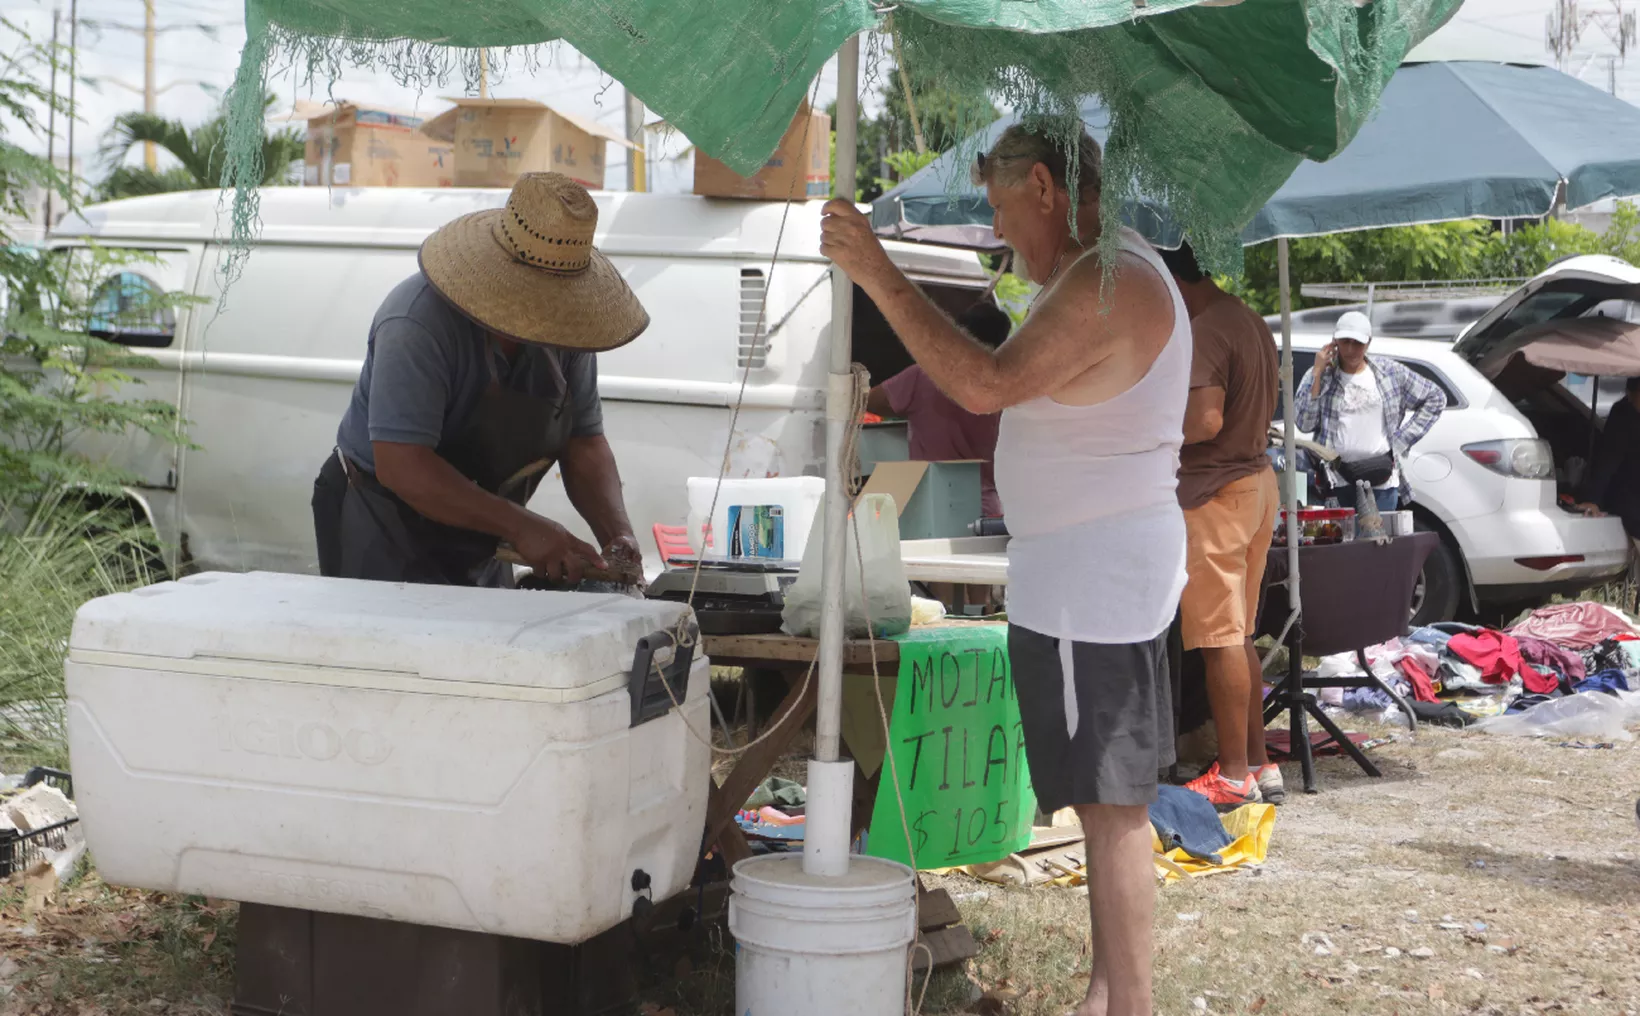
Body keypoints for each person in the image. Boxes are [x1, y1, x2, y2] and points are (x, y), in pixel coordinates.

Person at [821, 124, 1187, 1016]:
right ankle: (1107, 996)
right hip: (1085, 575)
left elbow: (984, 384)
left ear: (1043, 185)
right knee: (1103, 805)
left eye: (999, 205)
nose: (994, 229)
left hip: (1094, 580)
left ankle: (1128, 1005)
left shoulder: (1109, 280)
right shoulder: (1092, 273)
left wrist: (877, 271)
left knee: (1113, 806)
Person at [310, 172, 647, 587]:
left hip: (483, 524)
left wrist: (619, 536)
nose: (549, 317)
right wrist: (524, 527)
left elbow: (584, 443)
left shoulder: (569, 332)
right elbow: (402, 464)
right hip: (381, 518)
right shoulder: (416, 322)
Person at [1160, 243, 1283, 811]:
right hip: (1256, 485)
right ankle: (1257, 762)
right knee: (1238, 634)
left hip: (1216, 494)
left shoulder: (1207, 329)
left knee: (1218, 640)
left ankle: (1232, 774)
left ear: (1172, 281)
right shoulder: (1249, 318)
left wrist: (1150, 430)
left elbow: (1205, 421)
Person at [866, 301, 1012, 519]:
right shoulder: (1005, 386)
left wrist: (912, 405)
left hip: (935, 508)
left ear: (958, 335)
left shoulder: (924, 377)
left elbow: (866, 401)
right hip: (991, 509)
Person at [1294, 310, 1446, 512]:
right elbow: (1304, 424)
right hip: (1335, 481)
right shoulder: (1322, 375)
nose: (1350, 349)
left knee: (1377, 542)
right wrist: (1317, 374)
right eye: (1345, 341)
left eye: (1357, 343)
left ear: (1368, 343)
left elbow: (1435, 397)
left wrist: (1400, 441)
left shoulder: (1389, 373)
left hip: (1379, 480)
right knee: (1338, 542)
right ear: (1334, 342)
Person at [1583, 376, 1640, 541]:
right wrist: (1592, 499)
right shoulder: (1623, 417)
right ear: (1630, 394)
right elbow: (1608, 461)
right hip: (1629, 500)